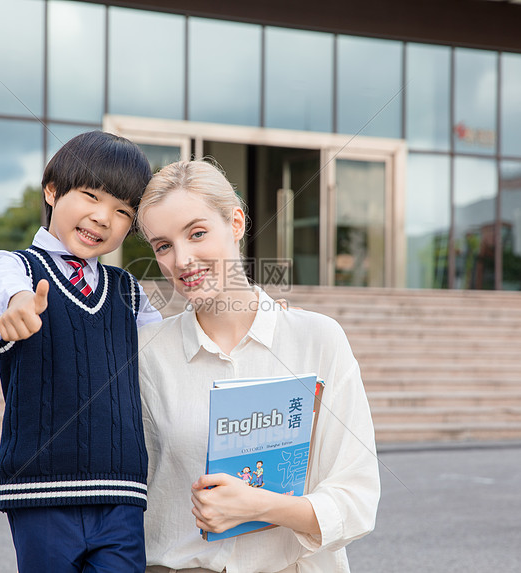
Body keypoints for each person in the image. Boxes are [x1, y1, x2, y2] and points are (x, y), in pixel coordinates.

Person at [136, 160, 380, 573]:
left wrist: (262, 505)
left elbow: (356, 499)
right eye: (163, 246)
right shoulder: (146, 354)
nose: (182, 260)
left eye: (197, 233)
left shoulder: (317, 339)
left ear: (235, 223)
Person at [0, 131, 162, 573]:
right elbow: (3, 290)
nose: (103, 218)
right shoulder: (19, 267)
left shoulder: (128, 291)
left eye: (122, 211)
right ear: (52, 189)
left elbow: (172, 347)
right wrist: (18, 304)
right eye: (91, 196)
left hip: (121, 489)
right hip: (41, 490)